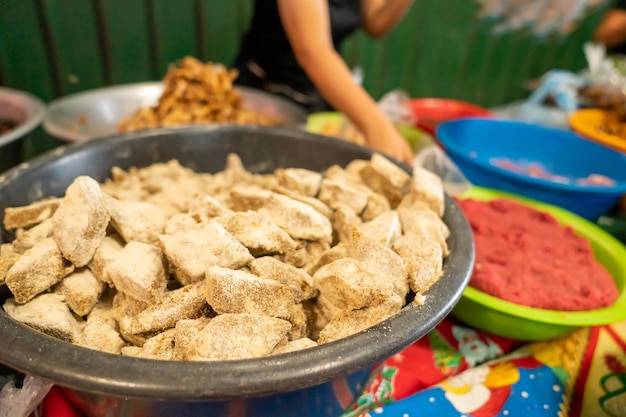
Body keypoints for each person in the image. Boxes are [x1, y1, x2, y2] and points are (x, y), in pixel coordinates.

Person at [233, 0, 415, 165]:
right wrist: (376, 125)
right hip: (269, 99)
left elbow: (375, 23)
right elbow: (312, 51)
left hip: (327, 94)